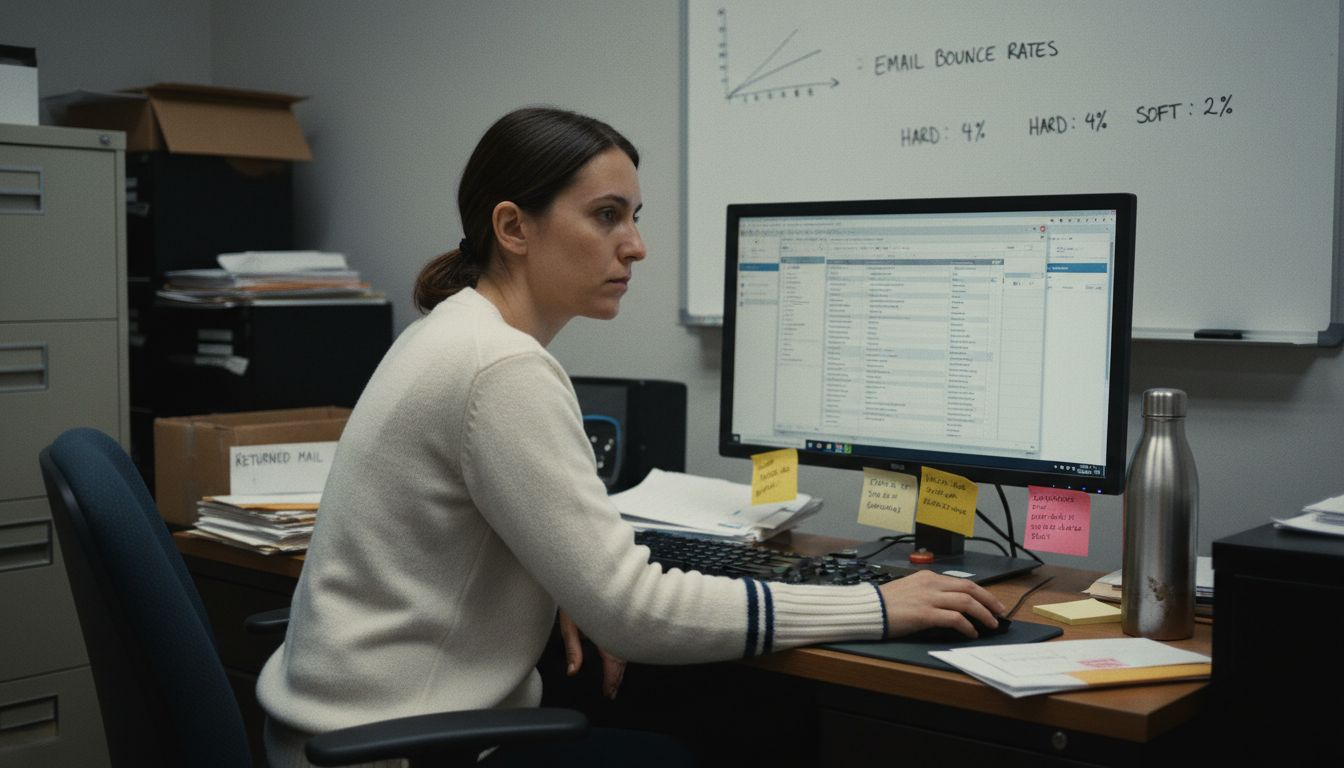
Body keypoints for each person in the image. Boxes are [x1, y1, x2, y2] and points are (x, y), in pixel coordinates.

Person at [256, 106, 1006, 767]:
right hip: (405, 751)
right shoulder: (501, 366)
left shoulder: (454, 333)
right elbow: (637, 612)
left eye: (635, 216)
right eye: (608, 216)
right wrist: (881, 607)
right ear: (514, 227)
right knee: (751, 730)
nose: (636, 245)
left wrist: (561, 583)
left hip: (353, 731)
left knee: (733, 716)